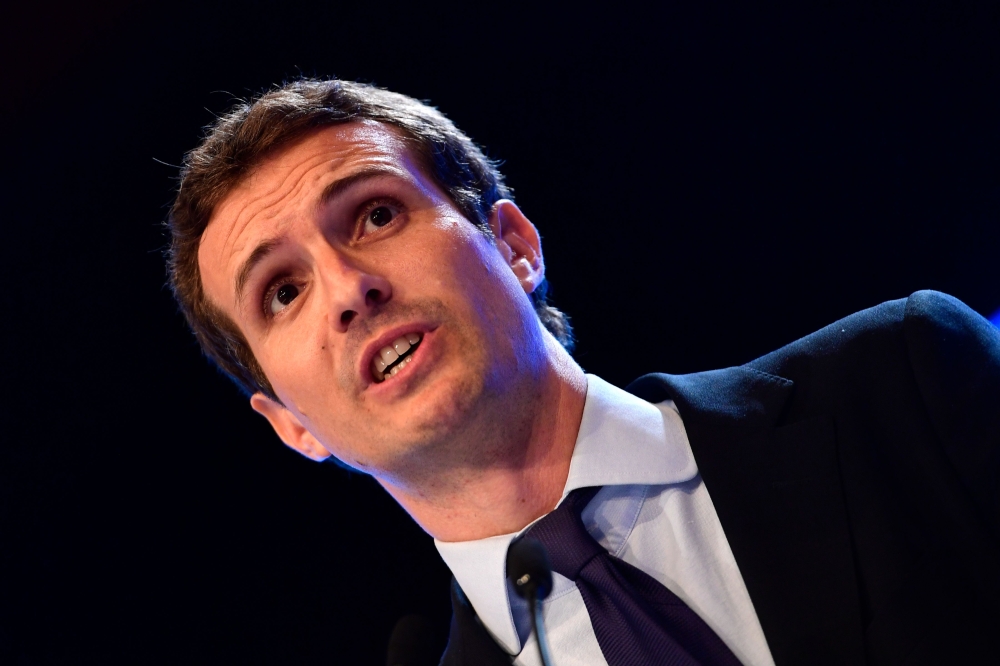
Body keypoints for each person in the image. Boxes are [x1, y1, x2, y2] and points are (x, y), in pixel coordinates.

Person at [167, 78, 1000, 665]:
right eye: (282, 291)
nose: (349, 289)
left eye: (376, 214)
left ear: (514, 245)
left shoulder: (904, 379)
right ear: (293, 426)